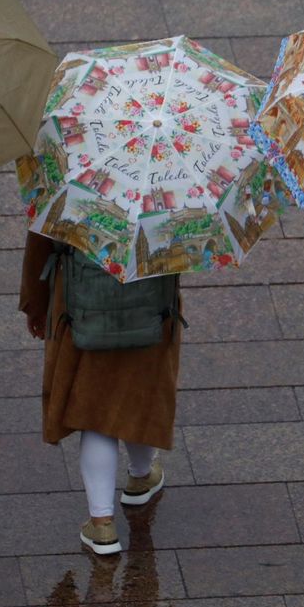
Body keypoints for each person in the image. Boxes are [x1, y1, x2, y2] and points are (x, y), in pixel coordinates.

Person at [18, 233, 180, 555]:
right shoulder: (169, 188)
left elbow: (40, 242)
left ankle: (102, 523)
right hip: (150, 309)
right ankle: (141, 475)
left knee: (94, 409)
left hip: (83, 311)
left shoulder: (71, 184)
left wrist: (35, 305)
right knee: (138, 394)